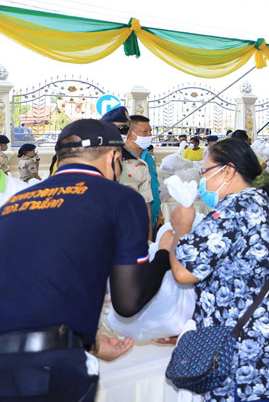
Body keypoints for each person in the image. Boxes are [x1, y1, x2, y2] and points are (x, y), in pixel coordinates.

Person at [0, 120, 170, 399]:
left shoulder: (17, 201)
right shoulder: (120, 198)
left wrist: (88, 341)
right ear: (114, 157)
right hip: (48, 371)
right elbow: (128, 302)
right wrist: (164, 252)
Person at [165, 137, 269, 402]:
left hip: (242, 356)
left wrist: (181, 227)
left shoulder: (232, 211)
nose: (202, 180)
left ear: (228, 171)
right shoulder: (259, 203)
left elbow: (184, 272)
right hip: (265, 349)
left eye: (205, 172)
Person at [120, 114, 162, 236]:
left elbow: (154, 186)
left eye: (150, 131)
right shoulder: (121, 159)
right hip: (132, 225)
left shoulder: (148, 156)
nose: (149, 135)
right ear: (130, 133)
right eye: (145, 131)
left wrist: (160, 215)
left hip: (152, 221)